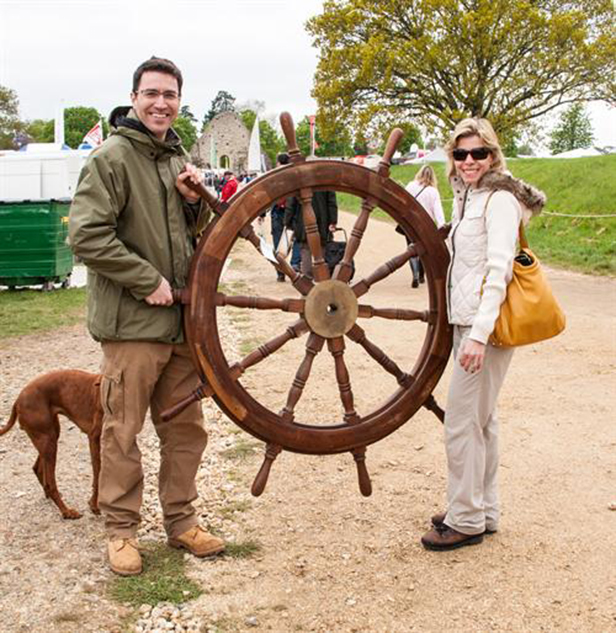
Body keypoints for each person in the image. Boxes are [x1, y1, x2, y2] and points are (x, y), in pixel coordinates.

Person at [69, 56, 225, 576]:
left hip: (181, 328)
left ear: (179, 101)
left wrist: (193, 203)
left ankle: (181, 523)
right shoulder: (111, 158)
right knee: (122, 429)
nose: (162, 103)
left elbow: (188, 238)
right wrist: (147, 281)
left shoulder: (174, 159)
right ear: (134, 97)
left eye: (171, 95)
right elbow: (87, 235)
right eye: (152, 93)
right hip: (133, 326)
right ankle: (121, 532)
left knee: (185, 429)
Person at [421, 118, 545, 551]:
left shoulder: (500, 201)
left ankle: (466, 518)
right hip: (468, 324)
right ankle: (482, 509)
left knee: (460, 422)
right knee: (482, 421)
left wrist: (477, 334)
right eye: (460, 154)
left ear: (493, 156)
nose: (469, 161)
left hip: (484, 330)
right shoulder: (467, 199)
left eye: (478, 153)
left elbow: (499, 271)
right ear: (451, 159)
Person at [404, 165, 445, 287]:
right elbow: (438, 211)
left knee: (411, 249)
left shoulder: (411, 186)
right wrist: (441, 226)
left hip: (410, 223)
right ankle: (422, 276)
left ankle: (415, 274)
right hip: (426, 225)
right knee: (424, 250)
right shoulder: (433, 191)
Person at [284, 190, 338, 279]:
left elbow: (291, 203)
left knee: (305, 249)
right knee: (322, 248)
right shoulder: (326, 178)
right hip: (323, 220)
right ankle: (322, 278)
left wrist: (287, 221)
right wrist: (333, 221)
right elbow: (331, 202)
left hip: (303, 219)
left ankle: (307, 280)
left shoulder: (299, 177)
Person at [269, 153, 290, 281]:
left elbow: (268, 194)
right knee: (291, 241)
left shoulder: (274, 175)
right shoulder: (293, 174)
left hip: (278, 211)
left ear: (278, 162)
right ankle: (293, 267)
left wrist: (261, 214)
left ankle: (280, 272)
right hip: (289, 211)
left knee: (278, 244)